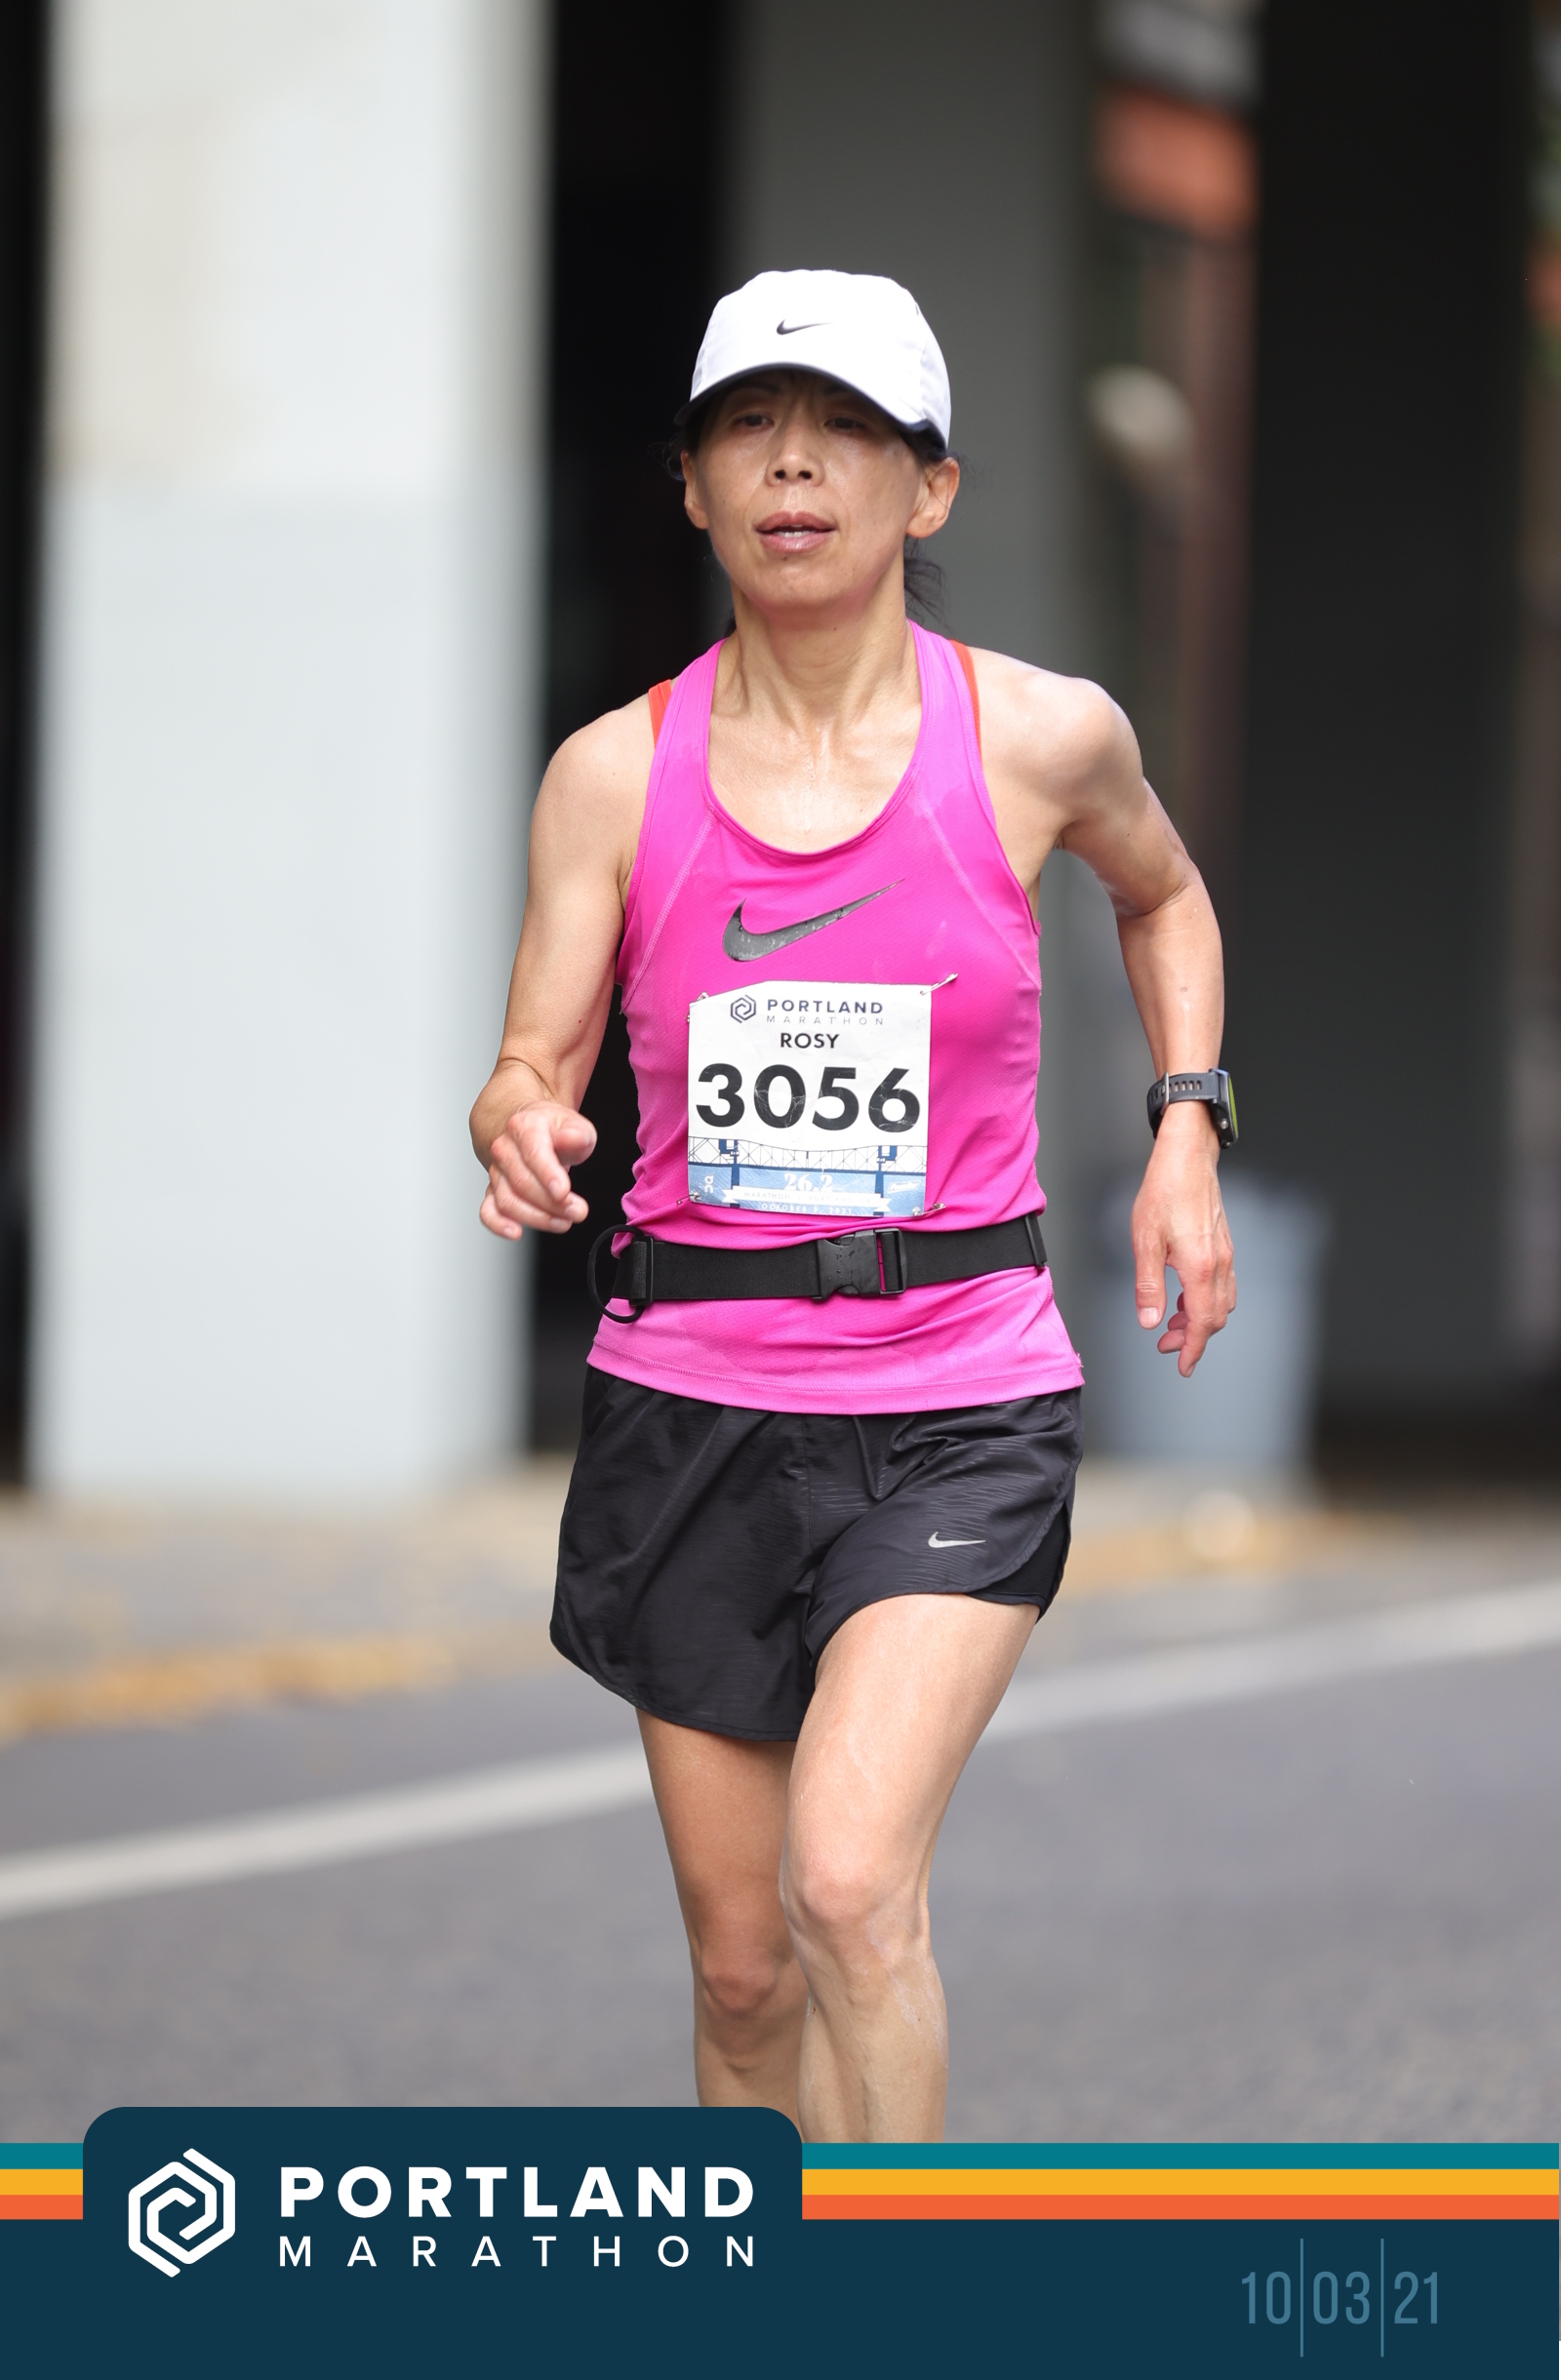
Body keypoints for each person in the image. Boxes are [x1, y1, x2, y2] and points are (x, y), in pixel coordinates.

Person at [470, 269, 1236, 2143]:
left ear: (931, 486)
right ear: (693, 486)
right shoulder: (613, 775)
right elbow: (527, 1063)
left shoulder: (1040, 738)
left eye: (847, 431)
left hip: (960, 1394)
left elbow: (1163, 894)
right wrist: (520, 1123)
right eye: (748, 426)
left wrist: (1185, 1126)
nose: (794, 465)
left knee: (847, 1885)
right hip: (691, 1404)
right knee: (743, 1973)